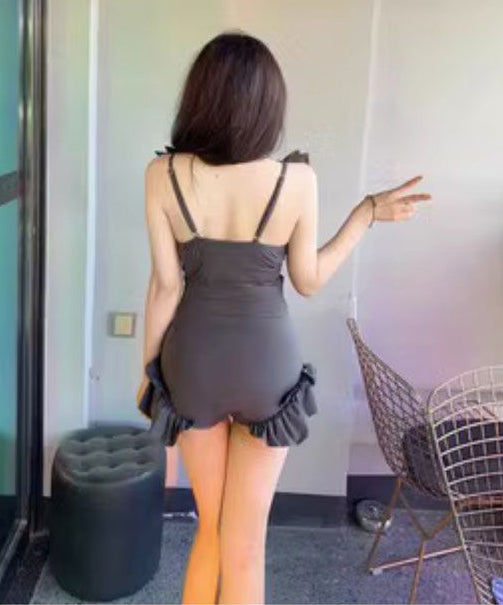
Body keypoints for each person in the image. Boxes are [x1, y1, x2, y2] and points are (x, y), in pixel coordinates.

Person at [135, 30, 432, 605]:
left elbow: (165, 286)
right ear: (267, 106)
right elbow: (308, 280)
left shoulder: (162, 175)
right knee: (246, 546)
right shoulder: (297, 181)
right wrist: (365, 214)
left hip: (193, 363)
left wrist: (148, 376)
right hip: (266, 368)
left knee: (210, 532)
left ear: (199, 97)